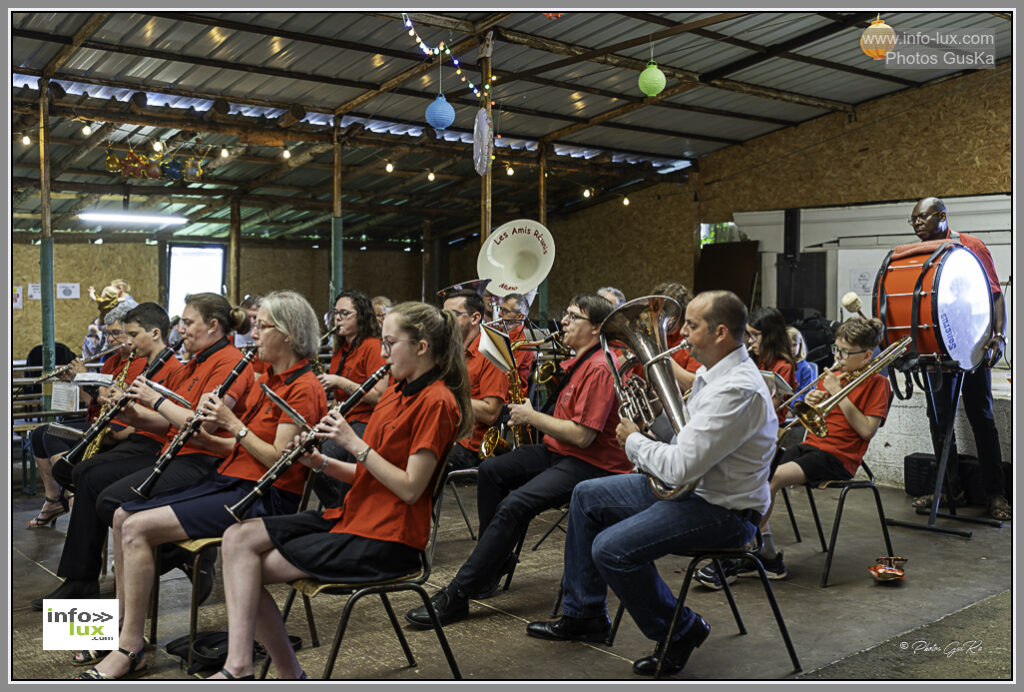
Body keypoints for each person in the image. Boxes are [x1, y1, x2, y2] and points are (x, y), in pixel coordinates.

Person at [205, 301, 470, 680]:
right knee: (236, 537)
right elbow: (367, 475)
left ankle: (262, 670)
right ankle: (259, 669)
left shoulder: (438, 402)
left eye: (390, 343)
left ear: (422, 347)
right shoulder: (398, 389)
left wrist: (352, 442)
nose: (381, 351)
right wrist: (322, 463)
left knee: (249, 568)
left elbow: (411, 489)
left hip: (389, 538)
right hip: (355, 517)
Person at [524, 290, 777, 677]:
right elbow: (683, 444)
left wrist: (634, 440)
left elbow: (679, 468)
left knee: (611, 549)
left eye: (691, 326)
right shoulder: (713, 374)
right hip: (694, 491)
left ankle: (680, 629)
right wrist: (649, 428)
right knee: (586, 495)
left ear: (721, 332)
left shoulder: (737, 390)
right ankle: (585, 614)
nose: (684, 335)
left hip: (724, 511)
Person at [404, 293, 631, 629]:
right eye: (565, 314)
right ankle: (493, 563)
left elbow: (583, 437)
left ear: (597, 327)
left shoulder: (599, 366)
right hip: (560, 451)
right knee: (492, 470)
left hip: (591, 463)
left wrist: (530, 416)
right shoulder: (581, 361)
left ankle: (459, 593)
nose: (563, 322)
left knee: (515, 504)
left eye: (573, 317)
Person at [31, 295, 253, 619]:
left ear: (214, 326)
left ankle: (166, 560)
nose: (182, 329)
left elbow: (198, 423)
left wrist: (153, 401)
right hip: (175, 451)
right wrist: (133, 414)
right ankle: (85, 583)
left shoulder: (228, 363)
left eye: (188, 323)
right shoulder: (196, 362)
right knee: (88, 478)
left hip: (203, 462)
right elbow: (169, 420)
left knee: (110, 501)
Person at [697, 317, 891, 587]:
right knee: (756, 474)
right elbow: (815, 419)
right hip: (812, 447)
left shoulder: (879, 384)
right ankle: (765, 554)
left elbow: (866, 430)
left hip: (839, 459)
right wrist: (814, 401)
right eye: (836, 349)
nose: (838, 357)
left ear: (867, 355)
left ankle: (738, 554)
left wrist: (840, 394)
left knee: (772, 478)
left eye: (845, 352)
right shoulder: (834, 376)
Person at [27, 302, 140, 528]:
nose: (111, 341)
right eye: (108, 335)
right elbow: (93, 400)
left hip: (119, 427)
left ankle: (75, 495)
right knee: (38, 434)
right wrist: (75, 381)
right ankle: (53, 500)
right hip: (97, 420)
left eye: (117, 334)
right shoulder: (111, 361)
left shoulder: (140, 362)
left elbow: (116, 400)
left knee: (53, 434)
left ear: (133, 333)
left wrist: (86, 376)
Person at [313, 290, 388, 507]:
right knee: (309, 460)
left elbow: (379, 395)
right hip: (344, 420)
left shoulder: (373, 346)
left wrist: (338, 381)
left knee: (324, 462)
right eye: (336, 313)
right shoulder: (342, 348)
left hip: (366, 422)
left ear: (361, 316)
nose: (338, 318)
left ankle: (349, 511)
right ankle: (341, 510)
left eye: (345, 313)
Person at [442, 288, 509, 470]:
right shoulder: (448, 349)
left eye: (453, 314)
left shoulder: (490, 354)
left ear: (475, 318)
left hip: (468, 446)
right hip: (444, 430)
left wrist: (444, 394)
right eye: (444, 314)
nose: (446, 320)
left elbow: (490, 413)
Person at [746, 307, 797, 426]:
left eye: (755, 335)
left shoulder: (784, 367)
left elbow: (770, 406)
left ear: (771, 336)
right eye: (748, 335)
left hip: (766, 425)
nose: (750, 341)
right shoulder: (753, 360)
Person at [652, 281, 699, 392]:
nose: (658, 315)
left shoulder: (692, 341)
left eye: (666, 311)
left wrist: (657, 349)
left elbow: (691, 385)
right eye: (656, 309)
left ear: (681, 314)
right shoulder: (643, 333)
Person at [499, 292, 537, 393]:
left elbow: (506, 373)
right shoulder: (498, 330)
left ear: (520, 316)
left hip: (510, 397)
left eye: (505, 311)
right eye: (500, 309)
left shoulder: (524, 340)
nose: (499, 314)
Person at [787, 326, 818, 404]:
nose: (791, 349)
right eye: (788, 345)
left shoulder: (805, 369)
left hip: (795, 408)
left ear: (800, 345)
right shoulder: (782, 365)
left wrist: (791, 406)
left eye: (794, 345)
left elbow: (807, 394)